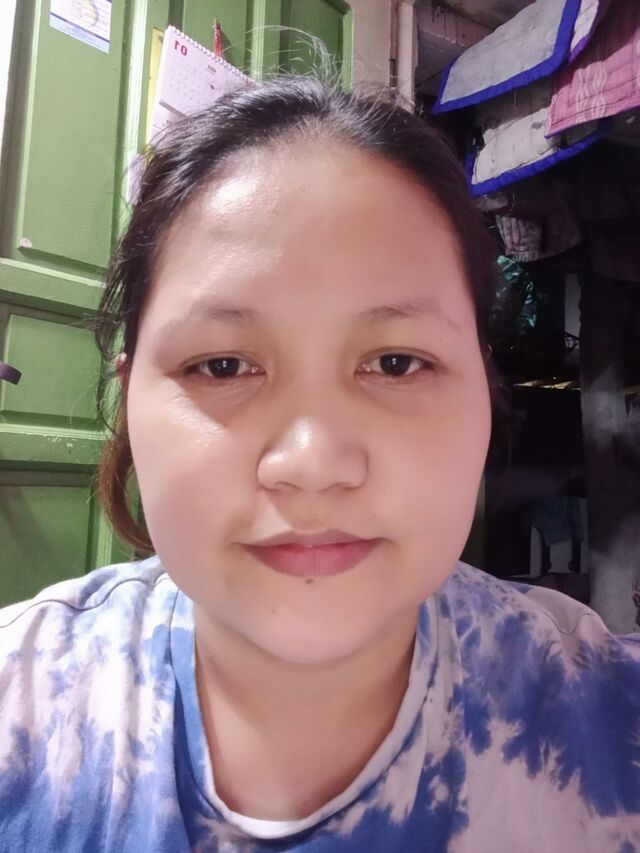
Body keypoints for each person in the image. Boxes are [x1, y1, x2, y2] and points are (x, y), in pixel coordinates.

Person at [1, 76, 639, 853]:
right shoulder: (20, 709)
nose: (311, 465)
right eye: (224, 365)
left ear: (485, 387)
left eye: (396, 362)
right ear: (130, 397)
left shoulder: (610, 724)